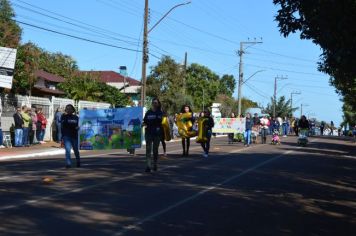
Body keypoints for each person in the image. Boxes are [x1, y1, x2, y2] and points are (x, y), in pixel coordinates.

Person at [142, 98, 163, 172]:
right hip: (148, 133)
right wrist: (142, 124)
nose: (154, 104)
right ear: (152, 103)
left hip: (157, 134)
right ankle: (148, 166)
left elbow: (159, 121)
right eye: (153, 102)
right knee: (148, 150)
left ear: (158, 104)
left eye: (156, 102)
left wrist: (149, 123)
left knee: (155, 150)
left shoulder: (160, 112)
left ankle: (155, 164)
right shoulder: (148, 112)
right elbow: (145, 121)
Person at [61, 104, 81, 168]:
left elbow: (79, 125)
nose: (68, 110)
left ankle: (78, 161)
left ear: (73, 110)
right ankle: (68, 163)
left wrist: (78, 127)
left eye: (70, 108)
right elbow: (64, 124)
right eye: (67, 108)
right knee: (67, 150)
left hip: (74, 136)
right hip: (66, 136)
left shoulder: (76, 117)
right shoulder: (63, 116)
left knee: (76, 150)